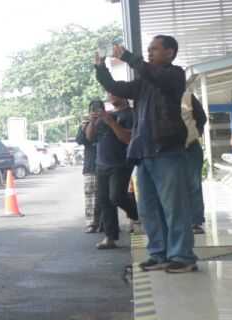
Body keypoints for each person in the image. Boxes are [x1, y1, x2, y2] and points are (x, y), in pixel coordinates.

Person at [95, 37, 197, 273]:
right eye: (148, 50)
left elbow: (155, 75)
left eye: (154, 49)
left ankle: (183, 256)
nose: (149, 53)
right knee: (148, 208)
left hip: (167, 150)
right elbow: (115, 88)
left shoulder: (174, 75)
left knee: (174, 207)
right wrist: (100, 68)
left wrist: (129, 58)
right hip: (145, 152)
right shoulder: (143, 82)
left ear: (170, 53)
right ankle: (159, 253)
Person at [88, 93, 138, 250]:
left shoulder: (130, 114)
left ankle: (138, 215)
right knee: (105, 201)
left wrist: (110, 122)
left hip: (121, 163)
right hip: (101, 163)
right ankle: (110, 237)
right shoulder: (106, 115)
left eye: (114, 92)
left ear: (123, 94)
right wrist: (93, 121)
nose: (110, 95)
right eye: (109, 93)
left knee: (116, 196)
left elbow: (127, 139)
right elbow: (90, 137)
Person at [76, 101, 104, 233]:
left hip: (106, 164)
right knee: (90, 196)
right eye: (93, 110)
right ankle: (91, 223)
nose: (95, 112)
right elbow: (81, 140)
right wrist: (89, 124)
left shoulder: (108, 122)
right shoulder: (85, 125)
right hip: (90, 165)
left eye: (98, 109)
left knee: (105, 196)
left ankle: (104, 223)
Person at [183, 90, 208, 235]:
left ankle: (195, 221)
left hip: (191, 146)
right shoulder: (156, 94)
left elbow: (202, 117)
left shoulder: (187, 96)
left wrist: (196, 132)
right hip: (170, 148)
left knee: (194, 184)